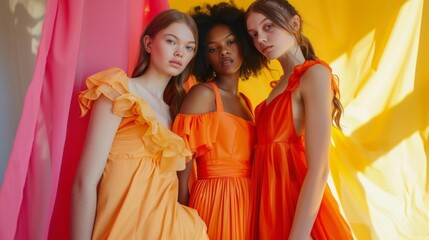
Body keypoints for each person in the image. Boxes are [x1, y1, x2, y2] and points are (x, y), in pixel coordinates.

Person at [70, 9, 208, 239]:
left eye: (189, 47)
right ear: (148, 43)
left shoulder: (177, 115)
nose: (179, 53)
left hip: (170, 231)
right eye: (171, 41)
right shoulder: (119, 91)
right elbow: (84, 182)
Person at [245, 0, 354, 239]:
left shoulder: (314, 74)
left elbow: (320, 167)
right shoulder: (276, 88)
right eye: (253, 34)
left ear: (294, 23)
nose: (260, 39)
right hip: (266, 207)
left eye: (268, 26)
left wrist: (299, 236)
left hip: (296, 210)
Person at [172, 2, 266, 240]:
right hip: (214, 199)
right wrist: (181, 219)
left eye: (231, 42)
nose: (224, 51)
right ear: (205, 57)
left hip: (248, 201)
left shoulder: (247, 102)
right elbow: (180, 169)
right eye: (213, 49)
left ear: (244, 44)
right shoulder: (203, 94)